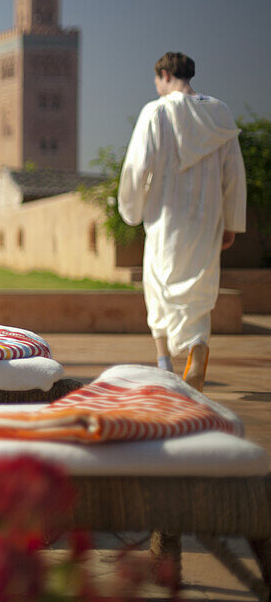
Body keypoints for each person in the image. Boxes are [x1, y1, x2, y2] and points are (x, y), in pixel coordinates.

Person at [117, 52, 246, 391]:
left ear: (164, 75)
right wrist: (231, 221)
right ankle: (198, 350)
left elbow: (136, 167)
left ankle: (164, 365)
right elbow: (233, 173)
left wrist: (131, 210)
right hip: (207, 218)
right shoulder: (219, 111)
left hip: (165, 219)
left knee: (159, 287)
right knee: (200, 288)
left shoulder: (156, 111)